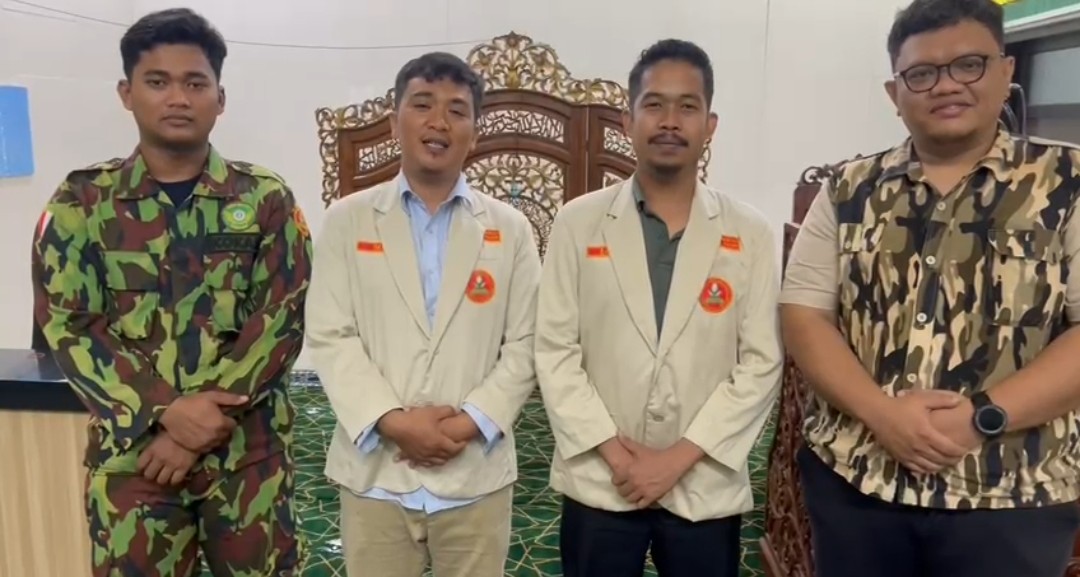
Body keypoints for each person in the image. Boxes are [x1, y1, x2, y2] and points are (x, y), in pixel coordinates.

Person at [780, 1, 1080, 576]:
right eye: (921, 73)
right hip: (858, 482)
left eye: (968, 64)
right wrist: (881, 414)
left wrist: (981, 417)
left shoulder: (1066, 182)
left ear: (1006, 71)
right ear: (895, 93)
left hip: (1011, 494)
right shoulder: (848, 189)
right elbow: (804, 313)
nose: (945, 85)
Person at [30, 8, 311, 576]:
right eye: (158, 81)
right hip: (135, 463)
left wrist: (193, 429)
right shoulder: (82, 202)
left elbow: (280, 320)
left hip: (247, 460)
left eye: (195, 83)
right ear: (126, 93)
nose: (178, 98)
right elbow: (71, 324)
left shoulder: (265, 199)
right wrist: (163, 412)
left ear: (220, 98)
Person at [534, 39, 783, 577]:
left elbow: (761, 364)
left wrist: (677, 458)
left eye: (687, 107)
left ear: (709, 125)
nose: (670, 121)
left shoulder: (750, 232)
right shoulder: (579, 222)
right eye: (654, 104)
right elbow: (554, 350)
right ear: (628, 120)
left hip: (702, 479)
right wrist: (615, 453)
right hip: (604, 477)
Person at [305, 51, 541, 577]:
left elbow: (527, 343)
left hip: (474, 474)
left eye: (457, 110)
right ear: (394, 123)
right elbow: (331, 335)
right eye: (422, 105)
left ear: (474, 133)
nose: (439, 122)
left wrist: (470, 422)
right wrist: (394, 422)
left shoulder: (510, 228)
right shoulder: (348, 221)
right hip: (376, 476)